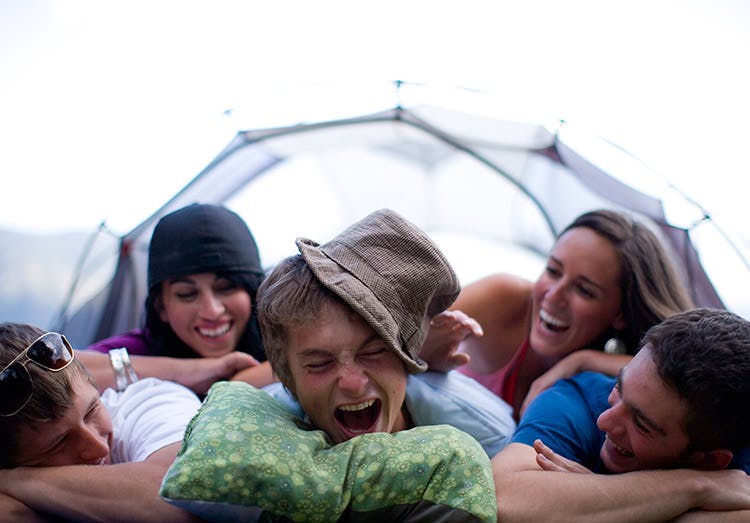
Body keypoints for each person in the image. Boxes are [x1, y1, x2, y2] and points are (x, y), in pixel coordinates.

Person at [258, 208, 516, 455]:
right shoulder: (256, 435)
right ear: (288, 379)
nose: (353, 384)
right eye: (319, 363)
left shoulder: (485, 436)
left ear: (406, 358)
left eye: (373, 352)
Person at [420, 208, 695, 419]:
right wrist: (423, 353)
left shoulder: (624, 377)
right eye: (553, 270)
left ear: (620, 314)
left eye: (584, 290)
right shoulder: (505, 298)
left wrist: (582, 362)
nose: (553, 295)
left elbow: (684, 380)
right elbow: (394, 329)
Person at [491, 307, 750, 522]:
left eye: (641, 424)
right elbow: (500, 497)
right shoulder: (576, 402)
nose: (605, 420)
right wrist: (696, 487)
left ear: (709, 461)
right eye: (619, 387)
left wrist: (593, 501)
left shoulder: (733, 438)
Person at [0, 322, 203, 522]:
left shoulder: (152, 401)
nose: (98, 447)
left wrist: (14, 480)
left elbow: (182, 496)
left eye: (91, 411)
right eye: (59, 443)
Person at [79, 203, 274, 395]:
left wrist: (239, 382)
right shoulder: (143, 348)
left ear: (253, 292)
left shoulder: (282, 335)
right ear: (161, 306)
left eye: (226, 288)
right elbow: (59, 371)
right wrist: (190, 371)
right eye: (187, 294)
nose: (211, 311)